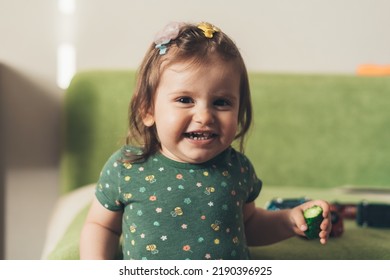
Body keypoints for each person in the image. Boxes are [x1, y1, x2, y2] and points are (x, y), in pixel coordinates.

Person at [80, 21, 331, 260]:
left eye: (221, 102)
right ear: (148, 110)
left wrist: (288, 221)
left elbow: (249, 226)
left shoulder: (237, 168)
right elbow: (101, 225)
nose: (204, 116)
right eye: (185, 100)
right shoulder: (127, 168)